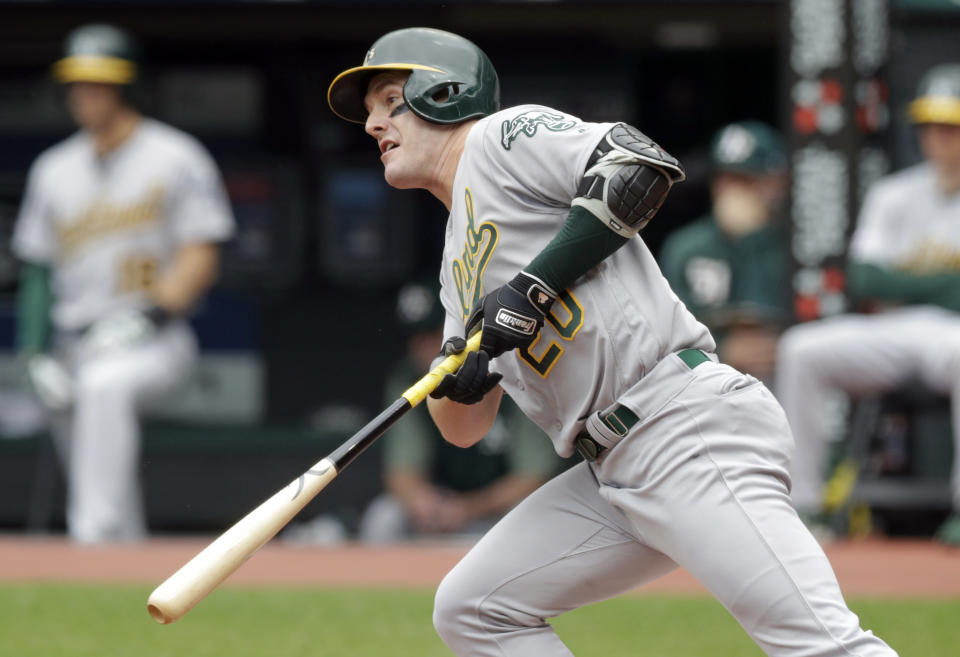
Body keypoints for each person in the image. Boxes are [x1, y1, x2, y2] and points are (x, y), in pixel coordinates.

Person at [328, 27, 897, 657]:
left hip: (682, 426)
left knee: (823, 647)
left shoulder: (499, 139)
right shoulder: (454, 262)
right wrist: (464, 377)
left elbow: (639, 163)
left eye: (387, 100)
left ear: (444, 92)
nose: (372, 124)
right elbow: (462, 429)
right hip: (611, 471)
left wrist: (533, 289)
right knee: (474, 611)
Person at [13, 24, 235, 544]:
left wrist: (149, 315)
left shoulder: (176, 156)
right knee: (90, 451)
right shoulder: (54, 169)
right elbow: (38, 269)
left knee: (104, 388)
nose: (83, 96)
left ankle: (93, 544)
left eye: (98, 84)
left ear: (126, 86)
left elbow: (201, 255)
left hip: (152, 340)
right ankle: (120, 558)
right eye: (77, 84)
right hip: (74, 341)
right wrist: (31, 352)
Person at [776, 63, 960, 547]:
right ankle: (801, 507)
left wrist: (907, 282)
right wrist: (945, 282)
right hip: (892, 331)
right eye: (932, 127)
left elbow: (888, 278)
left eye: (951, 127)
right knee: (801, 348)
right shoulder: (895, 193)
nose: (939, 139)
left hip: (951, 336)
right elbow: (863, 277)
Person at [359, 281, 563, 542]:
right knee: (385, 517)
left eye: (433, 335)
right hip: (440, 511)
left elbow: (532, 477)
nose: (424, 350)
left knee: (535, 516)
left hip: (498, 511)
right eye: (416, 340)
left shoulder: (512, 371)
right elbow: (402, 470)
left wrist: (468, 507)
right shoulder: (409, 378)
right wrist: (422, 502)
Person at [661, 121, 791, 383]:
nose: (731, 191)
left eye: (745, 180)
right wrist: (720, 348)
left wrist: (752, 238)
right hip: (707, 383)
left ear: (778, 183)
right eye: (724, 178)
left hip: (787, 377)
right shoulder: (685, 246)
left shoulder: (798, 245)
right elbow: (664, 336)